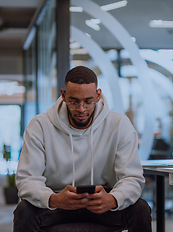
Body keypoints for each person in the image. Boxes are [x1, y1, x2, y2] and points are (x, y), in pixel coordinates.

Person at [13, 66, 152, 231]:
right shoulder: (40, 126)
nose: (81, 109)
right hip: (58, 200)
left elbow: (132, 178)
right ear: (63, 95)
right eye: (74, 101)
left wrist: (113, 199)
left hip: (102, 202)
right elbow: (27, 179)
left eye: (88, 101)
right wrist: (53, 199)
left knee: (141, 208)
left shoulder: (119, 124)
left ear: (98, 95)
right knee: (24, 211)